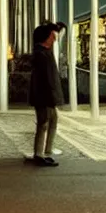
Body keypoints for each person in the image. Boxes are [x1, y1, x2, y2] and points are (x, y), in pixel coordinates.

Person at [28, 22, 65, 167]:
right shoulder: (41, 54)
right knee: (44, 122)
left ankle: (46, 150)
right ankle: (39, 153)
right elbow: (47, 79)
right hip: (44, 96)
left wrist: (57, 28)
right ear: (45, 37)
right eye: (52, 35)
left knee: (52, 119)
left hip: (46, 95)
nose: (55, 38)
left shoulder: (44, 51)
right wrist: (52, 96)